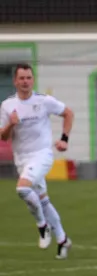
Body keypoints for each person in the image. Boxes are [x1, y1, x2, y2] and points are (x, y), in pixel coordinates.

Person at [0, 63, 74, 260]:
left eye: (29, 78)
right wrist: (10, 124)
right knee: (42, 199)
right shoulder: (7, 106)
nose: (25, 82)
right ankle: (62, 239)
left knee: (22, 189)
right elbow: (3, 137)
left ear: (33, 80)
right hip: (22, 159)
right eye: (22, 78)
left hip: (42, 154)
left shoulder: (43, 101)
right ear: (15, 81)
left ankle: (42, 226)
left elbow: (68, 113)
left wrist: (64, 139)